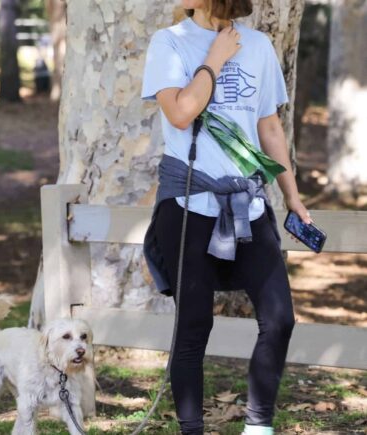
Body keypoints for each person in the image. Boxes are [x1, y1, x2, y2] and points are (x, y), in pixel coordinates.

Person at [140, 1, 312, 434]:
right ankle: (192, 428)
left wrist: (292, 195)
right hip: (187, 207)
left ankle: (258, 426)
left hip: (247, 206)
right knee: (194, 324)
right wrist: (214, 59)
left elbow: (269, 126)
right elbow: (180, 111)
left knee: (279, 318)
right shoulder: (168, 43)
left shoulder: (257, 45)